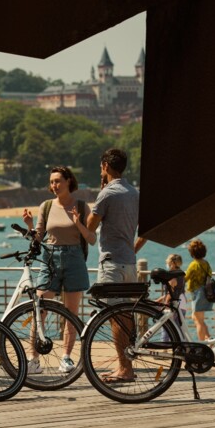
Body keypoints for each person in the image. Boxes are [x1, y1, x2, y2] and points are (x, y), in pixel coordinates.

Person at [23, 166, 96, 374]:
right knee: (40, 310)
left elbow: (91, 239)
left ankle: (65, 358)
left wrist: (78, 223)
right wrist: (29, 226)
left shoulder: (82, 207)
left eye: (58, 181)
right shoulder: (46, 206)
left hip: (75, 260)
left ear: (68, 182)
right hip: (49, 259)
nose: (54, 185)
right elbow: (37, 239)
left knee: (71, 314)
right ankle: (33, 360)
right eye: (52, 182)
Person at [86, 148, 145, 383]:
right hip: (130, 263)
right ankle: (127, 364)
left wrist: (101, 192)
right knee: (127, 316)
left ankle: (125, 368)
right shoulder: (134, 193)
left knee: (115, 317)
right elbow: (146, 231)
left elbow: (89, 227)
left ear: (105, 166)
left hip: (111, 263)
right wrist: (132, 249)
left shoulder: (107, 194)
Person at [185, 239, 213, 341]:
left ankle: (202, 343)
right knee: (196, 318)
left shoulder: (194, 264)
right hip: (205, 292)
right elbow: (210, 275)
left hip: (197, 293)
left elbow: (186, 277)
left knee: (198, 320)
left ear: (192, 253)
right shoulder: (206, 263)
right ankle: (209, 339)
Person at [157, 254, 187, 342]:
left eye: (168, 262)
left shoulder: (172, 276)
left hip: (174, 302)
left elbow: (171, 292)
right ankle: (181, 347)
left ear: (173, 263)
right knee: (179, 327)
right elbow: (178, 290)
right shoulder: (181, 273)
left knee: (166, 326)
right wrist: (159, 299)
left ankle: (164, 346)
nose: (167, 264)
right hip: (182, 302)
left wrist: (165, 303)